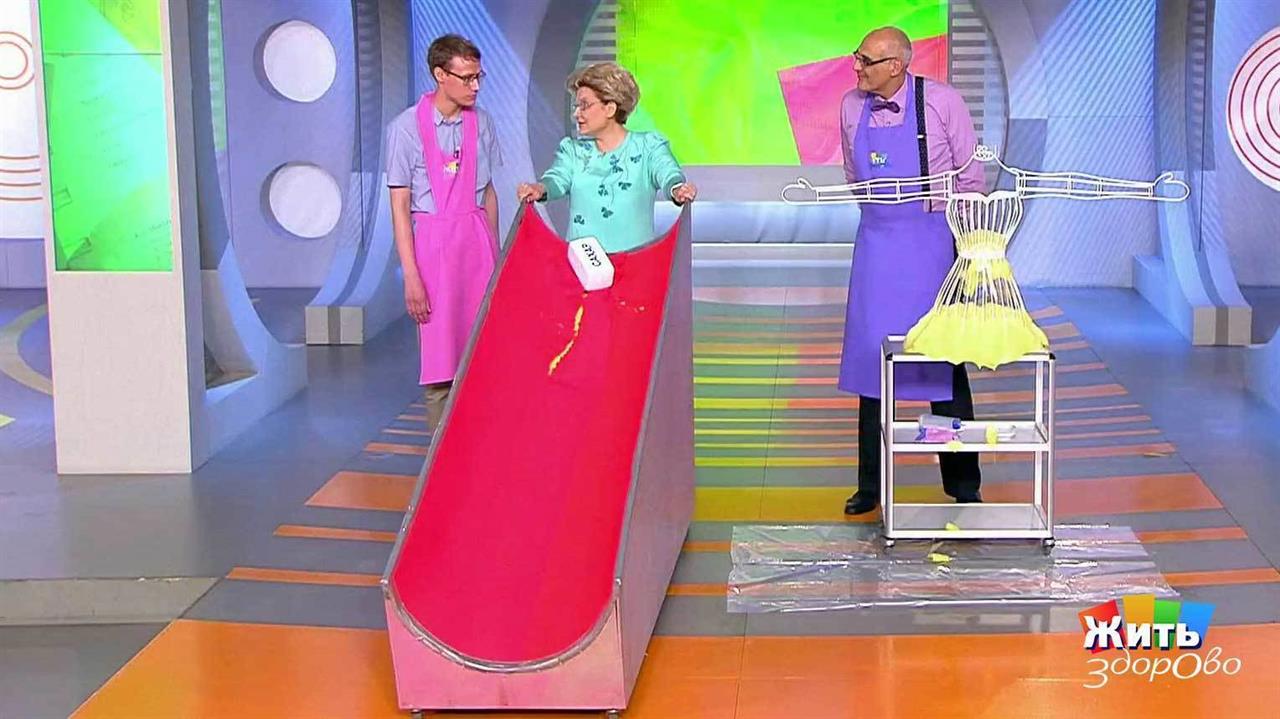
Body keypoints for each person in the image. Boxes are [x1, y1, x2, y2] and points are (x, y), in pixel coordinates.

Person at [838, 26, 984, 515]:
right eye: (857, 57)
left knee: (942, 360)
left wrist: (967, 249)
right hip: (877, 247)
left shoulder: (943, 102)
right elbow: (854, 175)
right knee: (872, 363)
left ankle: (963, 484)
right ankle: (870, 486)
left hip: (932, 246)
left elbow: (971, 180)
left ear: (896, 66)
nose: (856, 67)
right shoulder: (850, 106)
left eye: (865, 60)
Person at [385, 34, 501, 433]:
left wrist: (497, 255)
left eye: (478, 76)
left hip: (477, 243)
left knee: (485, 354)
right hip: (433, 249)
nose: (476, 86)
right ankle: (441, 455)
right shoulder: (404, 129)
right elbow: (400, 205)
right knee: (441, 362)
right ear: (440, 75)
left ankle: (483, 448)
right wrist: (411, 276)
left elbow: (488, 192)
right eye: (467, 78)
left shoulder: (482, 123)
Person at [515, 62, 696, 251]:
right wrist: (539, 189)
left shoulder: (648, 147)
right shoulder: (573, 152)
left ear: (610, 109)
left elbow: (668, 173)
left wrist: (678, 189)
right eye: (576, 106)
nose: (576, 114)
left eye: (585, 105)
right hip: (582, 263)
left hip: (636, 263)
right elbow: (556, 179)